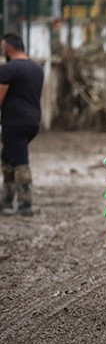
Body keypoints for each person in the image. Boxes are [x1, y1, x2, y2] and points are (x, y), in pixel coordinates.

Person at [0, 33, 44, 216]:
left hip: (14, 122)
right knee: (7, 157)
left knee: (19, 161)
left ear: (8, 48)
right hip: (33, 121)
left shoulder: (8, 69)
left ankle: (25, 204)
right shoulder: (37, 68)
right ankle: (6, 201)